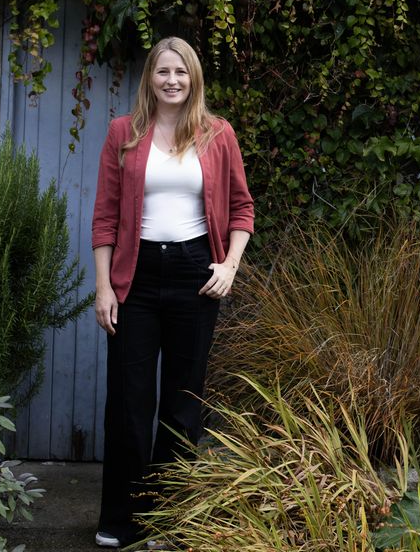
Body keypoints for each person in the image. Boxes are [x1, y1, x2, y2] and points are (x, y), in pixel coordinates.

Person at [90, 36, 254, 548]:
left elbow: (243, 209)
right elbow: (105, 218)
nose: (172, 81)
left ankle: (170, 519)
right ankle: (122, 520)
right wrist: (103, 287)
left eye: (181, 72)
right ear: (150, 79)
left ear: (194, 78)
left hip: (194, 274)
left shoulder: (218, 135)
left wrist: (229, 264)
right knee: (128, 403)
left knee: (183, 403)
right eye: (163, 72)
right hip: (134, 277)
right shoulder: (123, 133)